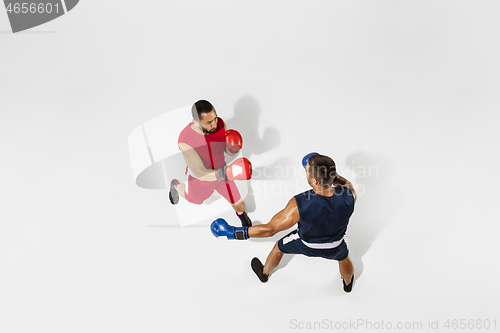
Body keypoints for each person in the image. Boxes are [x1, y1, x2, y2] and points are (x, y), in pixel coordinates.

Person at [211, 153, 357, 292]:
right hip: (336, 245)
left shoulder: (299, 204)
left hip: (306, 244)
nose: (305, 171)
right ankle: (348, 283)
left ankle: (264, 273)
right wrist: (329, 173)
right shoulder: (349, 195)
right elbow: (346, 183)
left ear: (315, 181)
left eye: (307, 171)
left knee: (278, 247)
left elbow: (270, 230)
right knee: (344, 258)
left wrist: (234, 233)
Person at [169, 100, 253, 227]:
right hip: (200, 179)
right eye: (209, 122)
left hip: (223, 171)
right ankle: (175, 185)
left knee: (240, 205)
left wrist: (232, 149)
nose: (214, 124)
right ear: (196, 122)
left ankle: (241, 215)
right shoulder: (185, 140)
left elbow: (225, 150)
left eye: (215, 118)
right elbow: (200, 172)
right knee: (194, 199)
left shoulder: (220, 124)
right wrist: (227, 172)